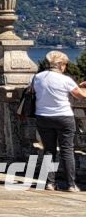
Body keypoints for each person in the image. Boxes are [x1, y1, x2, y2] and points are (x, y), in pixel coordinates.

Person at [31, 50, 86, 191]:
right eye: (65, 64)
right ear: (61, 65)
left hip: (43, 117)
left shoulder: (37, 77)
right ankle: (71, 184)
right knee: (67, 150)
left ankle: (49, 182)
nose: (65, 67)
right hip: (63, 117)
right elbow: (80, 96)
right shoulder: (65, 79)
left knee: (49, 150)